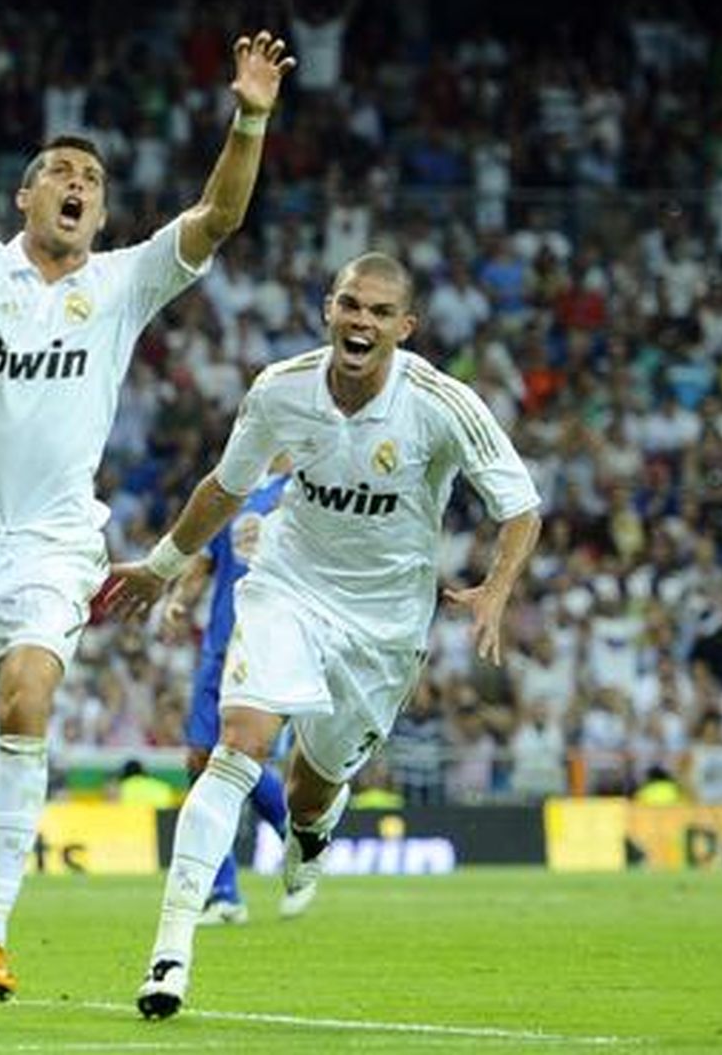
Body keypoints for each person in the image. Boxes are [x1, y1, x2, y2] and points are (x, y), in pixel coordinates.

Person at [0, 8, 294, 999]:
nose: (78, 185)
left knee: (30, 693)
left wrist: (246, 121)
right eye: (60, 173)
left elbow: (217, 220)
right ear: (25, 194)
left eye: (93, 180)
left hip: (52, 538)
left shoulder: (120, 284)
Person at [100, 252, 542, 1018]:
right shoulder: (280, 389)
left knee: (314, 785)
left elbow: (520, 505)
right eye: (349, 305)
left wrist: (496, 592)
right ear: (328, 309)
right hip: (288, 587)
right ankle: (169, 952)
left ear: (405, 326)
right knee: (236, 746)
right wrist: (164, 565)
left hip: (384, 624)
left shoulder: (440, 401)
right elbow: (224, 487)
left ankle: (312, 832)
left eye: (377, 312)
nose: (360, 322)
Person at [154, 457, 292, 926]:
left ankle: (298, 836)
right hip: (220, 645)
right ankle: (225, 892)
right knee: (199, 759)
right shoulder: (236, 489)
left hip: (268, 644)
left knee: (237, 760)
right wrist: (178, 601)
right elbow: (205, 562)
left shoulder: (309, 488)